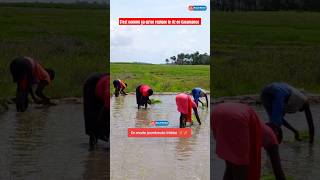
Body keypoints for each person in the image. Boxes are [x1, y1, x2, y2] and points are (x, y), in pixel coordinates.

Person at [212, 102, 286, 180]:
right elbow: (278, 171)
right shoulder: (272, 137)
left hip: (217, 112)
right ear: (276, 134)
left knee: (231, 166)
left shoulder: (258, 126)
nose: (266, 149)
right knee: (241, 168)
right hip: (237, 117)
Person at [83, 73, 109, 149]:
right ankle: (92, 145)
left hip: (105, 83)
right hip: (93, 84)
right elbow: (103, 115)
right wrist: (102, 131)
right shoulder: (108, 97)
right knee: (92, 116)